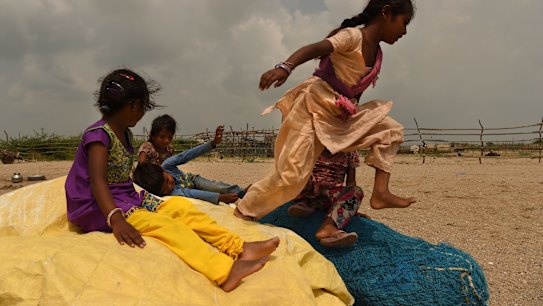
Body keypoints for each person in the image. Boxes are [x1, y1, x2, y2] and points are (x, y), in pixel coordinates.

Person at [64, 68, 279, 292]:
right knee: (167, 226)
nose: (142, 113)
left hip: (124, 195)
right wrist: (116, 219)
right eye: (144, 107)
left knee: (180, 207)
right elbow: (97, 181)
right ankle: (224, 271)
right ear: (134, 105)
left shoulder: (125, 133)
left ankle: (238, 247)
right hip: (96, 205)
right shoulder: (98, 135)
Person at [235, 0, 417, 221]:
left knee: (390, 130)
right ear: (386, 13)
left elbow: (355, 90)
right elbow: (314, 48)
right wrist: (285, 67)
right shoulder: (352, 37)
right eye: (404, 22)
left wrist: (349, 125)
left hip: (340, 112)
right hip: (313, 107)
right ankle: (244, 210)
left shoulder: (377, 55)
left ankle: (380, 193)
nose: (405, 31)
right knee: (292, 177)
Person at [133, 125, 248, 204]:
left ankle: (242, 192)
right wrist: (219, 198)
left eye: (168, 180)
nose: (170, 186)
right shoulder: (172, 192)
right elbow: (191, 193)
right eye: (165, 189)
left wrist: (212, 144)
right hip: (189, 187)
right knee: (214, 193)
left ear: (163, 171)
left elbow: (187, 155)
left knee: (216, 186)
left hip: (192, 180)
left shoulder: (167, 165)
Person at [287, 149, 364, 248]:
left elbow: (351, 183)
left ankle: (328, 227)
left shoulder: (350, 151)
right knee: (300, 175)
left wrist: (351, 207)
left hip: (331, 195)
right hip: (311, 189)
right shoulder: (311, 143)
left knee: (356, 191)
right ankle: (304, 203)